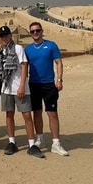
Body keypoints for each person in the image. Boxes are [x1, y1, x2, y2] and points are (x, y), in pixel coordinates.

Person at [24, 22, 69, 157]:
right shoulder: (28, 49)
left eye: (37, 30)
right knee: (37, 113)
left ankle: (56, 143)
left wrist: (59, 79)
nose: (35, 33)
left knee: (52, 113)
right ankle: (40, 139)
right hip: (34, 84)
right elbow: (24, 67)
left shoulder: (51, 45)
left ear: (42, 31)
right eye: (32, 31)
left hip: (49, 84)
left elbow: (59, 63)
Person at [0, 26, 40, 158]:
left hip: (20, 88)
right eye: (2, 35)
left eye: (6, 35)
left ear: (10, 35)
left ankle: (31, 144)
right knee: (9, 115)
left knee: (27, 116)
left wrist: (22, 86)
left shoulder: (18, 48)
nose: (4, 37)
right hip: (6, 88)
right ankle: (12, 142)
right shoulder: (0, 51)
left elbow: (24, 66)